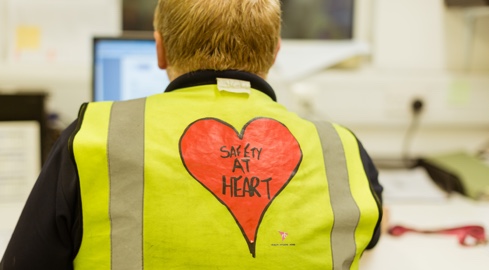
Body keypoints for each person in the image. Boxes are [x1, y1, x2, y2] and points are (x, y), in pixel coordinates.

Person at [0, 0, 383, 269]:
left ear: (160, 49)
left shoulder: (90, 139)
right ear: (274, 52)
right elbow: (369, 233)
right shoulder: (342, 150)